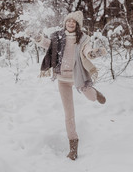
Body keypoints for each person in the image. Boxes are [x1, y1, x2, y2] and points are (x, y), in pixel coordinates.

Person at [33, 10, 107, 161]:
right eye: (68, 21)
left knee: (92, 98)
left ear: (78, 25)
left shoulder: (83, 39)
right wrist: (38, 38)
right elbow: (47, 44)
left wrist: (93, 53)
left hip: (78, 76)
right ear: (65, 22)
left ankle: (95, 92)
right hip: (62, 79)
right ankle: (73, 147)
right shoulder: (58, 36)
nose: (70, 23)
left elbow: (86, 51)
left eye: (74, 22)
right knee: (69, 114)